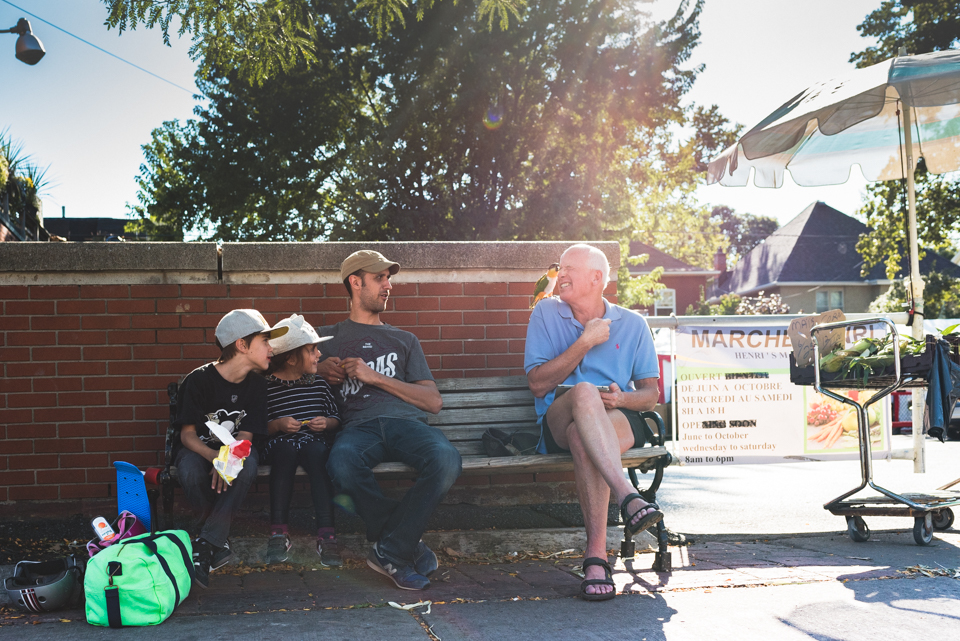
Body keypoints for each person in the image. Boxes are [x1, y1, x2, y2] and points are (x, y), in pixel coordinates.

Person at [524, 244, 663, 602]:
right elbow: (539, 384)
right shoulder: (545, 312)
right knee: (584, 392)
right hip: (558, 416)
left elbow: (650, 395)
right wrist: (585, 341)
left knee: (583, 437)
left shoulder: (633, 324)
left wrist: (621, 399)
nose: (561, 274)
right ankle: (628, 496)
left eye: (570, 268)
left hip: (616, 416)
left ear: (596, 278)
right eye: (561, 267)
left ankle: (596, 559)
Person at [319, 250, 462, 591]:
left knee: (446, 459)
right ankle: (403, 543)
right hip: (358, 429)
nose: (388, 286)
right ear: (356, 282)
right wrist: (315, 370)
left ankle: (390, 551)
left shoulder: (404, 340)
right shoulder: (325, 339)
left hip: (407, 425)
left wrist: (375, 377)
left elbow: (433, 402)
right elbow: (277, 373)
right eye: (380, 278)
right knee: (340, 463)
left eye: (388, 278)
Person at [174, 309, 287, 588]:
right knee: (188, 470)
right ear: (242, 345)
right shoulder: (198, 380)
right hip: (200, 450)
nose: (271, 349)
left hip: (237, 448)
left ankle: (204, 543)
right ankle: (216, 541)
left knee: (246, 464)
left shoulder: (258, 385)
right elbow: (187, 436)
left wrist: (230, 459)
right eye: (265, 341)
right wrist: (215, 457)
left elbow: (246, 436)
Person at [261, 314, 343, 567]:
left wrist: (326, 423)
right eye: (312, 349)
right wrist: (277, 425)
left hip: (312, 442)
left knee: (318, 452)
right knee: (285, 449)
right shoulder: (266, 387)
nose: (319, 354)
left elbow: (336, 417)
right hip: (278, 444)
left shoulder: (318, 384)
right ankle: (278, 533)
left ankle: (327, 534)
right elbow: (257, 428)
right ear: (291, 357)